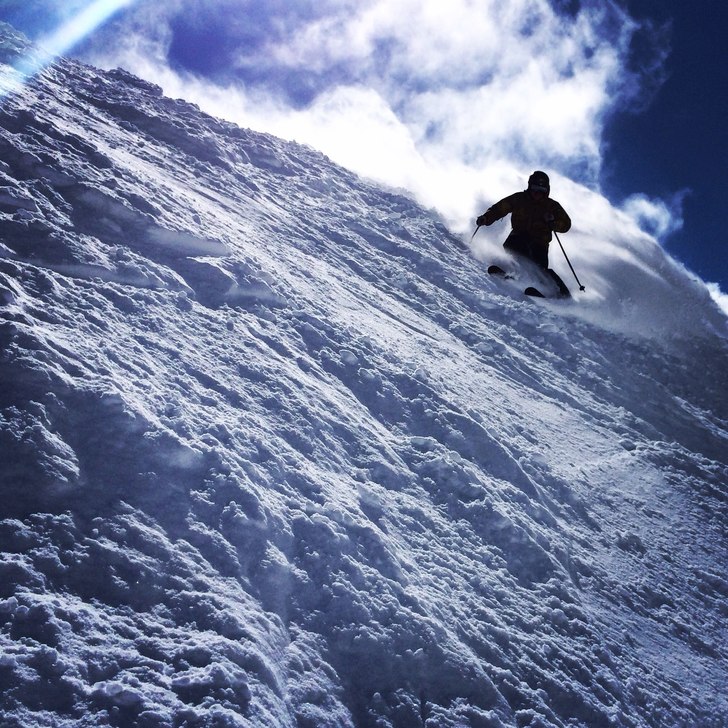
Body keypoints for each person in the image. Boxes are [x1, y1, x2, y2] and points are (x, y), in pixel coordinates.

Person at [477, 170, 572, 297]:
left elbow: (566, 224)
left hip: (539, 243)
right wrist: (486, 218)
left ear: (547, 191)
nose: (537, 193)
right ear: (529, 186)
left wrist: (553, 222)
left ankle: (558, 292)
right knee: (513, 252)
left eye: (541, 190)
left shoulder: (552, 206)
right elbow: (500, 208)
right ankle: (510, 273)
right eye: (534, 188)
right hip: (518, 236)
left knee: (540, 268)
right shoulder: (519, 199)